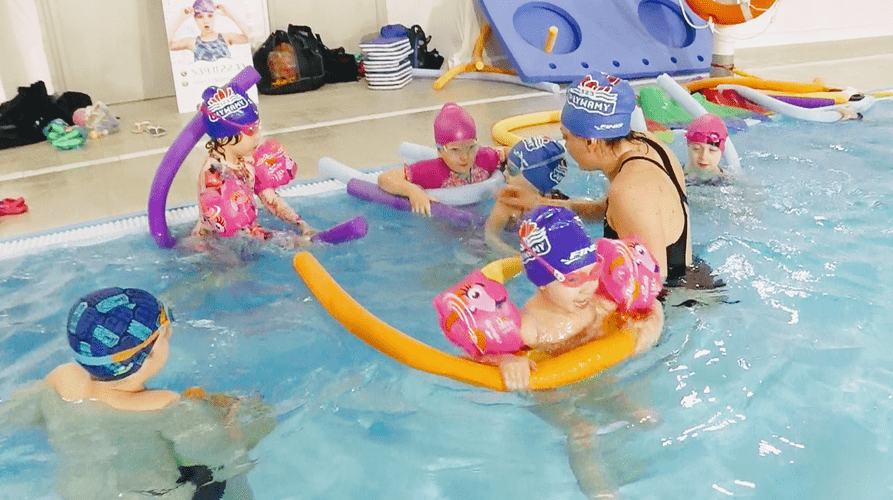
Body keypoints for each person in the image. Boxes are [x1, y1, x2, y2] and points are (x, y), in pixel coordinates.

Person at [0, 287, 276, 500]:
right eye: (164, 330)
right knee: (222, 476)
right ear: (148, 355)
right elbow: (225, 453)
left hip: (80, 492)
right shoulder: (167, 405)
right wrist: (234, 416)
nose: (169, 335)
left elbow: (14, 413)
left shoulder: (61, 379)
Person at [498, 72, 718, 289]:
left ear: (591, 142)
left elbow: (654, 289)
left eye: (566, 137)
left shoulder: (629, 192)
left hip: (681, 300)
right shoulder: (646, 145)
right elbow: (611, 211)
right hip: (695, 275)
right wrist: (542, 203)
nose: (566, 148)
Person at [488, 206, 664, 392]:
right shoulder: (530, 327)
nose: (588, 288)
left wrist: (652, 321)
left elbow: (647, 305)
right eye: (573, 280)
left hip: (601, 376)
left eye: (594, 272)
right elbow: (480, 353)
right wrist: (508, 361)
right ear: (541, 281)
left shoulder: (596, 301)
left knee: (638, 409)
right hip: (555, 391)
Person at [190, 82, 315, 247]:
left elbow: (269, 198)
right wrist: (288, 241)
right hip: (212, 245)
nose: (258, 135)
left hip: (244, 234)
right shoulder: (214, 174)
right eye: (250, 130)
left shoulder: (248, 158)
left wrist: (300, 223)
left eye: (258, 126)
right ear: (224, 137)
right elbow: (238, 225)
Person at [377, 102, 505, 216]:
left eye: (471, 147)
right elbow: (386, 178)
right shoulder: (432, 171)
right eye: (455, 150)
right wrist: (413, 192)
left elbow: (508, 152)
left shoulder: (484, 159)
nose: (464, 157)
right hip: (446, 222)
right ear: (439, 151)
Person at [485, 136, 569, 256]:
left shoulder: (557, 203)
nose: (505, 173)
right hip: (513, 247)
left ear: (534, 180)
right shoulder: (508, 201)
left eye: (512, 171)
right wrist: (519, 258)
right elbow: (491, 237)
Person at [168, 0, 249, 63]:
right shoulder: (192, 42)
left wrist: (230, 14)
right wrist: (181, 18)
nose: (206, 21)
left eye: (210, 16)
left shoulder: (226, 38)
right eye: (200, 17)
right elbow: (167, 46)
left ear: (214, 17)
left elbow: (249, 38)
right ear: (195, 19)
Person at [684, 113, 729, 185]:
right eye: (697, 149)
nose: (703, 156)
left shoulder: (727, 180)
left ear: (721, 152)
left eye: (712, 150)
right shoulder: (676, 176)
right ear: (688, 147)